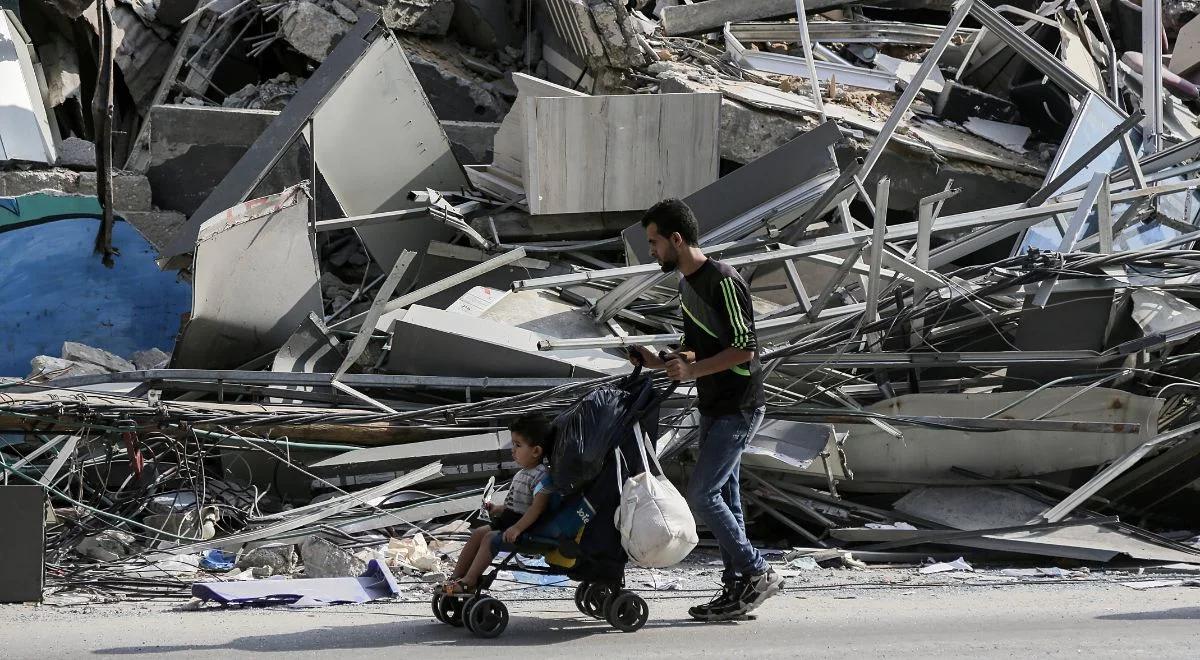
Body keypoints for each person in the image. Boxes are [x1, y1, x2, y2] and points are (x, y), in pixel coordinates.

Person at [630, 198, 782, 621]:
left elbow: (744, 349)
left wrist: (692, 367)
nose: (652, 251)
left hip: (739, 405)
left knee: (703, 493)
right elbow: (698, 346)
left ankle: (756, 570)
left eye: (655, 242)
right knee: (727, 497)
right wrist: (660, 360)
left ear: (677, 239)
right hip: (714, 403)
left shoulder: (723, 281)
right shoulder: (686, 286)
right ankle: (737, 590)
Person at [440, 415, 554, 594]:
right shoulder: (523, 473)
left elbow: (536, 508)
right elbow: (516, 505)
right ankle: (457, 576)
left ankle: (470, 581)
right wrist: (496, 509)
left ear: (536, 451)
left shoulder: (542, 477)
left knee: (489, 538)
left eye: (518, 445)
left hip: (526, 529)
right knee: (478, 532)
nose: (512, 450)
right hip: (510, 522)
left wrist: (517, 528)